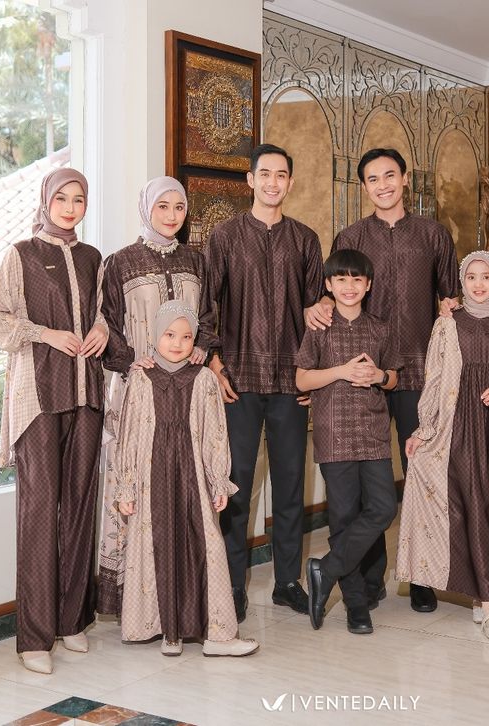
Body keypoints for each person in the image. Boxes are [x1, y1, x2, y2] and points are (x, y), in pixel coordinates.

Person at [305, 147, 458, 614]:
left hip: (419, 371)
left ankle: (423, 577)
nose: (383, 185)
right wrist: (319, 307)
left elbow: (452, 298)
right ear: (364, 187)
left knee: (422, 475)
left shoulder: (433, 234)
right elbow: (333, 294)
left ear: (405, 179)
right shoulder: (351, 236)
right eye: (373, 179)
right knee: (368, 485)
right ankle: (368, 580)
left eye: (390, 175)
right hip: (363, 376)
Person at [0, 168, 107, 674]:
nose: (71, 207)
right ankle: (34, 637)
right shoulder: (22, 254)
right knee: (39, 513)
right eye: (62, 198)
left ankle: (71, 621)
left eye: (79, 199)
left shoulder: (93, 258)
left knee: (80, 507)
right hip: (37, 398)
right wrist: (47, 334)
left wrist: (102, 329)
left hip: (86, 394)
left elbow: (106, 313)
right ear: (46, 200)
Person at [205, 144, 324, 622]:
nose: (274, 182)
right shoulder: (225, 237)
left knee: (291, 483)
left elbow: (317, 315)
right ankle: (232, 585)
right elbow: (207, 304)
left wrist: (312, 373)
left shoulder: (306, 240)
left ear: (290, 182)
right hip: (237, 380)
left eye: (282, 175)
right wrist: (214, 362)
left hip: (291, 382)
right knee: (235, 486)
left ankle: (287, 582)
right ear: (250, 180)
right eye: (265, 174)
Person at [397, 251, 489, 642]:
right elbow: (434, 380)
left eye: (486, 277)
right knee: (460, 509)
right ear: (462, 282)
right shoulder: (446, 325)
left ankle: (485, 598)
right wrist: (423, 430)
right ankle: (486, 601)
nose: (478, 284)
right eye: (471, 277)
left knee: (487, 510)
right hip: (452, 433)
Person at [97, 176, 218, 616]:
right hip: (138, 390)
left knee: (186, 481)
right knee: (135, 482)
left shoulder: (196, 261)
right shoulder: (119, 263)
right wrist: (131, 360)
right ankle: (136, 599)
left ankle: (184, 594)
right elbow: (107, 323)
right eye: (162, 206)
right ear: (146, 208)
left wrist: (201, 348)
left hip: (186, 392)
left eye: (179, 207)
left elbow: (208, 316)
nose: (171, 216)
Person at [114, 301, 259, 656]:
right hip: (151, 480)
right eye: (169, 335)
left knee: (204, 544)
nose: (177, 343)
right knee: (160, 543)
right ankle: (170, 632)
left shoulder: (204, 379)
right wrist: (126, 486)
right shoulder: (141, 378)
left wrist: (218, 479)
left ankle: (218, 635)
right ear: (155, 335)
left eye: (186, 337)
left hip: (193, 477)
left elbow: (215, 434)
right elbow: (128, 435)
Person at [299, 249, 401, 634]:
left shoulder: (381, 328)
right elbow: (302, 379)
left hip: (374, 433)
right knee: (343, 518)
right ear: (329, 285)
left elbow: (394, 377)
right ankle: (356, 605)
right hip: (334, 433)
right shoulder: (319, 327)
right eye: (341, 279)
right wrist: (340, 371)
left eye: (357, 279)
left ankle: (325, 569)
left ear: (368, 285)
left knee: (383, 508)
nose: (349, 286)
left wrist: (379, 376)